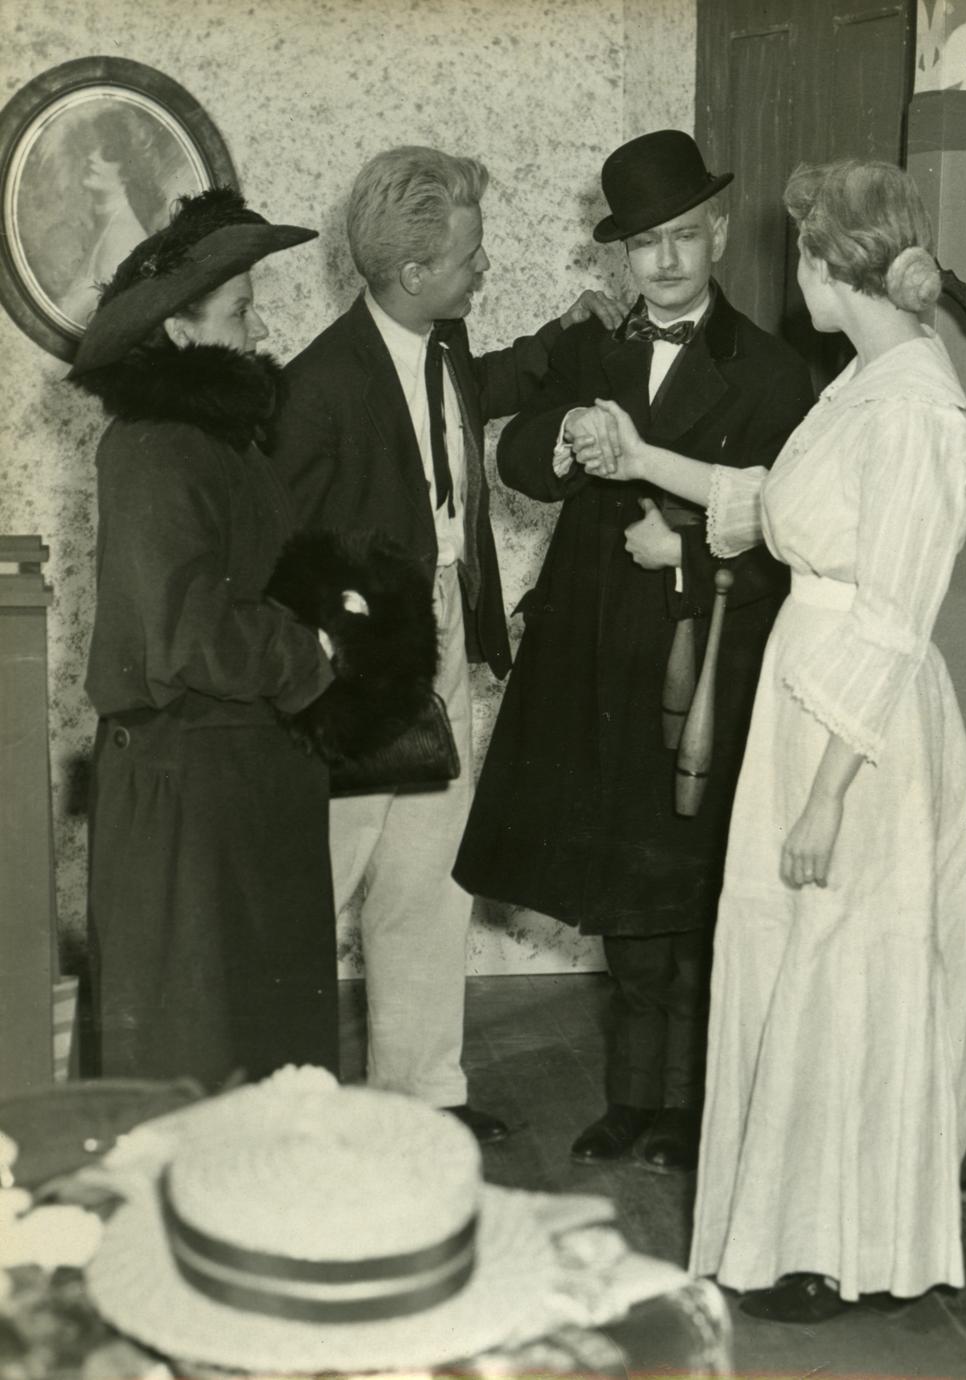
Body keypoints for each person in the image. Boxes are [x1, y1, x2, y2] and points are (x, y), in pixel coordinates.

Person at [587, 160, 966, 1319]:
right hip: (807, 701)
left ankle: (840, 1247)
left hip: (860, 728)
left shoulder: (915, 406)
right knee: (801, 957)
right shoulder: (864, 380)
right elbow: (774, 504)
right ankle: (798, 1233)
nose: (787, 270)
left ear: (825, 263)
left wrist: (826, 796)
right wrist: (640, 458)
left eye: (797, 249)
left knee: (844, 965)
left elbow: (895, 614)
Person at [453, 130, 813, 1171]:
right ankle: (630, 1100)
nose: (663, 260)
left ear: (717, 235)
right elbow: (518, 455)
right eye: (644, 243)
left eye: (683, 237)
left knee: (691, 892)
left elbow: (795, 536)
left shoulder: (772, 370)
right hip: (598, 652)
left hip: (705, 658)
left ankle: (693, 1111)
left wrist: (688, 553)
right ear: (619, 254)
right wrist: (565, 433)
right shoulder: (593, 348)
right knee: (621, 887)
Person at [270, 145, 623, 1143]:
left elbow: (478, 386)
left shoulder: (441, 340)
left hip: (442, 635)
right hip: (356, 662)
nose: (483, 267)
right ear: (411, 271)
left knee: (429, 879)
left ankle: (421, 1096)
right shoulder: (317, 387)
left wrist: (561, 337)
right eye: (470, 257)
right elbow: (278, 552)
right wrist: (335, 666)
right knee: (322, 880)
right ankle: (286, 1110)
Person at [69, 188, 433, 1091]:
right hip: (188, 794)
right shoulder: (154, 447)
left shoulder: (216, 441)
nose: (260, 325)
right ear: (180, 331)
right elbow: (189, 632)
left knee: (254, 1044)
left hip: (242, 777)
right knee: (191, 1055)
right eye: (240, 310)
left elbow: (248, 578)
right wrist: (317, 651)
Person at [58, 108, 168, 326]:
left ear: (129, 170)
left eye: (108, 152)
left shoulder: (125, 240)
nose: (92, 157)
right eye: (95, 147)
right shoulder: (101, 225)